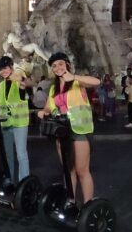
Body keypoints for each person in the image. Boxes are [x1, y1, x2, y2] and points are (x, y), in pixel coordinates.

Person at [36, 52, 100, 205]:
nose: (57, 68)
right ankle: (70, 201)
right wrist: (42, 112)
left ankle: (88, 205)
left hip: (80, 131)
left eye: (60, 64)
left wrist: (75, 77)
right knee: (68, 169)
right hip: (62, 132)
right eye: (54, 66)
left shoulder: (78, 83)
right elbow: (48, 108)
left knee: (82, 170)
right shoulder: (54, 89)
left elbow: (96, 82)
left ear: (67, 65)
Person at [0, 56, 32, 184]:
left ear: (11, 68)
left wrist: (22, 79)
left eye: (5, 68)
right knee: (8, 155)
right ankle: (9, 179)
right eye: (0, 69)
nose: (3, 71)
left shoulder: (18, 81)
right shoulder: (0, 85)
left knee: (21, 154)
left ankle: (24, 182)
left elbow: (28, 84)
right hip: (6, 124)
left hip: (20, 123)